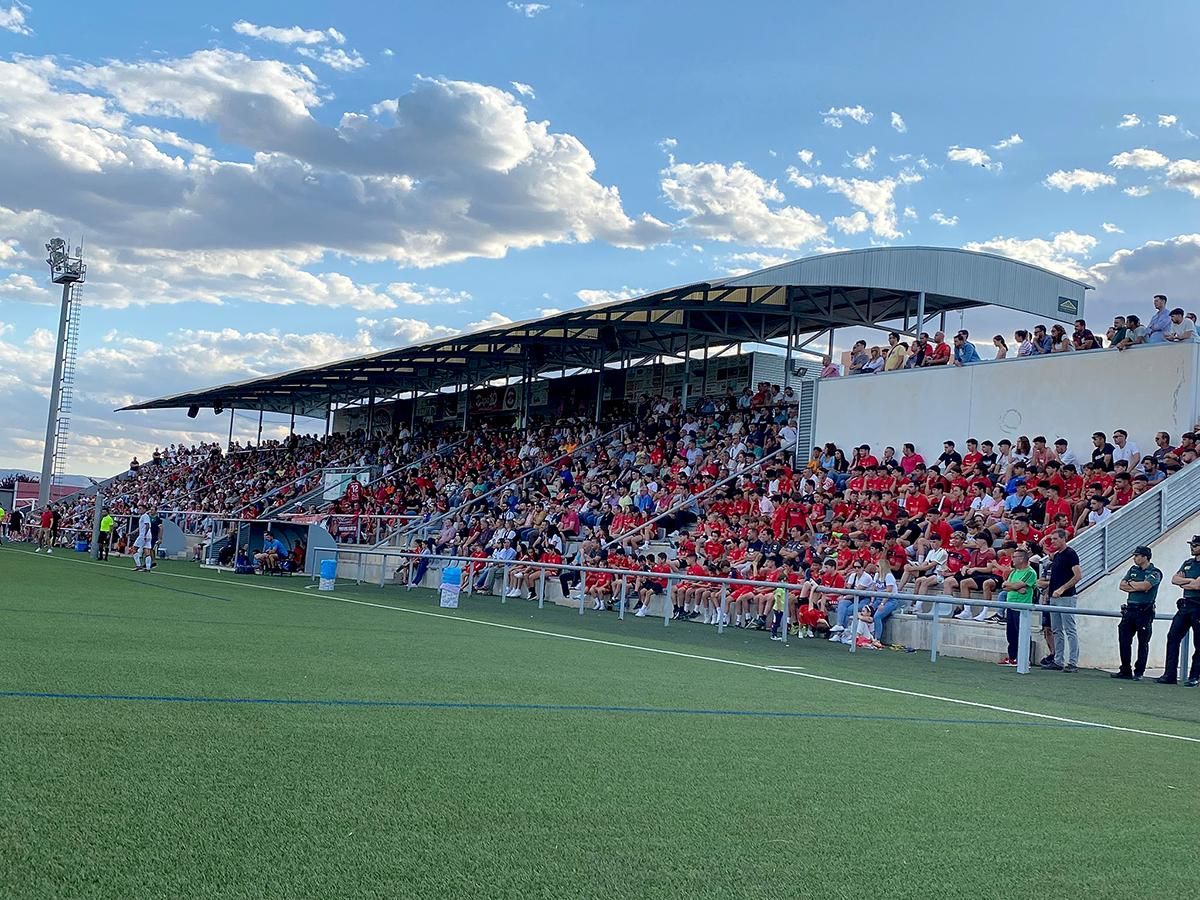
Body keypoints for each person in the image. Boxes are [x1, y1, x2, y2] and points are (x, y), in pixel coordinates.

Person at [1156, 536, 1200, 686]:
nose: (1192, 547)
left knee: (1199, 643)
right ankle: (1170, 675)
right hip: (1186, 605)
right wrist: (1189, 582)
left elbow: (1197, 586)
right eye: (1192, 545)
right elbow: (1175, 579)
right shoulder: (1188, 563)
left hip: (1198, 605)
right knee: (1173, 637)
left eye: (1195, 545)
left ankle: (1194, 676)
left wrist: (1187, 583)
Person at [1112, 546, 1161, 680]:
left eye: (1137, 555)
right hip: (1130, 609)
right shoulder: (1133, 570)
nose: (1135, 558)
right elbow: (1122, 585)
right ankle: (1125, 669)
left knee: (1143, 642)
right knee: (1124, 639)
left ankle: (1139, 671)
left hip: (1144, 610)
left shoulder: (1155, 572)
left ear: (1145, 557)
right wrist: (1137, 585)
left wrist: (1132, 584)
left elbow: (1146, 586)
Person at [1038, 530, 1082, 672]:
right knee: (1056, 629)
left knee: (1069, 629)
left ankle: (1073, 662)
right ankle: (1058, 660)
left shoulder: (1070, 554)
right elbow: (1055, 577)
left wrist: (1062, 589)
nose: (1053, 542)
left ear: (1063, 539)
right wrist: (1048, 592)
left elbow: (1077, 576)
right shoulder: (1057, 556)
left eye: (1056, 539)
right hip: (1054, 597)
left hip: (1066, 597)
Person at [998, 549, 1038, 667]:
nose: (1012, 559)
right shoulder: (1014, 572)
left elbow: (1014, 585)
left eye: (1014, 557)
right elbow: (1004, 586)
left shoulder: (1030, 572)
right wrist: (1016, 588)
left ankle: (1025, 658)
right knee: (1011, 634)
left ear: (1021, 558)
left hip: (1022, 607)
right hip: (1010, 606)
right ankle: (1012, 658)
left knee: (1023, 633)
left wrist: (1014, 586)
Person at [132, 506, 153, 571]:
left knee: (134, 549)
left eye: (140, 509)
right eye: (138, 509)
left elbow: (147, 525)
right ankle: (148, 568)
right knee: (147, 551)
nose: (139, 510)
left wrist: (144, 535)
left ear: (144, 509)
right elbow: (142, 527)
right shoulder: (144, 516)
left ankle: (138, 565)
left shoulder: (145, 516)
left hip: (143, 535)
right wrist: (132, 532)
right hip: (148, 535)